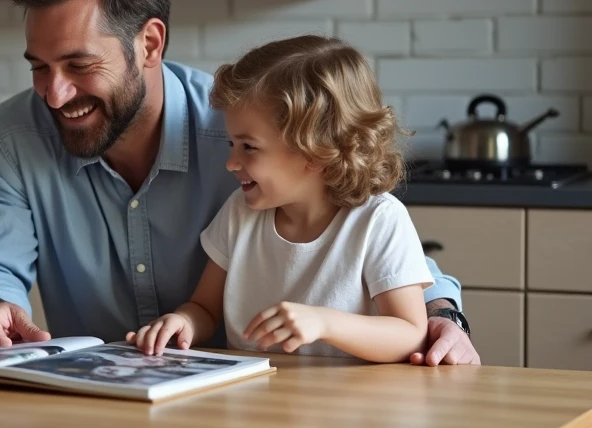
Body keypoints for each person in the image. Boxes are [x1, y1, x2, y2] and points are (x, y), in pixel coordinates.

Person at [0, 0, 481, 367]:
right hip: (97, 400)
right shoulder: (10, 139)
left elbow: (370, 245)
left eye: (79, 65)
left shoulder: (247, 125)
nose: (54, 94)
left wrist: (440, 317)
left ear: (149, 43)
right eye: (39, 67)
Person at [129, 36, 433, 361]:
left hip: (350, 405)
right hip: (253, 401)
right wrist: (184, 321)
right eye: (232, 144)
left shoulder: (378, 221)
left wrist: (324, 322)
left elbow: (410, 334)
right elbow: (204, 307)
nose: (231, 163)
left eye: (249, 147)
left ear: (316, 151)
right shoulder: (239, 213)